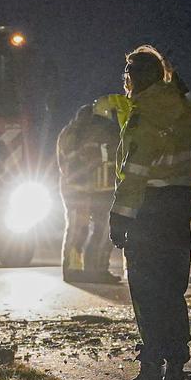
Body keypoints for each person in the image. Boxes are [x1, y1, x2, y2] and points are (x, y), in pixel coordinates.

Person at [107, 46, 191, 380]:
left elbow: (134, 174)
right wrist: (178, 83)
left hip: (148, 214)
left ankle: (151, 372)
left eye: (127, 78)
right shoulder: (182, 108)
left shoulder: (144, 115)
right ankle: (176, 374)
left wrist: (119, 217)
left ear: (133, 80)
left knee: (147, 296)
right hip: (178, 210)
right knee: (172, 292)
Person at [56, 103, 121, 282]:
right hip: (81, 189)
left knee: (99, 229)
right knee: (81, 228)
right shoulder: (77, 133)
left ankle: (92, 270)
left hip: (96, 189)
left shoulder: (75, 131)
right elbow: (83, 159)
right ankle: (76, 270)